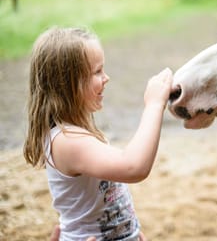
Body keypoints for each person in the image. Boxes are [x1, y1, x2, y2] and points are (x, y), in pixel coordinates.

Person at [24, 27, 173, 240]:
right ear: (68, 84)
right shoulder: (67, 141)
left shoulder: (76, 134)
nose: (106, 78)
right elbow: (133, 167)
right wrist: (154, 105)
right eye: (97, 72)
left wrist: (129, 231)